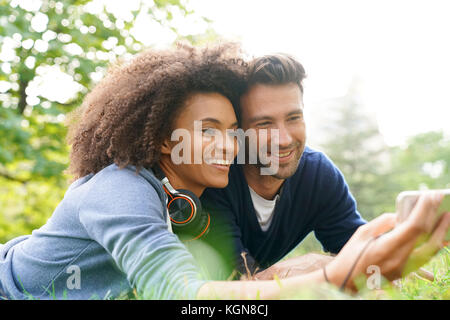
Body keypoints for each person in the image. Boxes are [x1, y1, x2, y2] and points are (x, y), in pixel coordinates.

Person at [0, 44, 448, 300]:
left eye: (233, 131)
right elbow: (183, 295)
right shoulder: (122, 188)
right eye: (207, 131)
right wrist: (332, 276)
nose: (229, 146)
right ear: (161, 138)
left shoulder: (185, 190)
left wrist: (392, 246)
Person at [200, 53, 450, 285]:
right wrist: (320, 266)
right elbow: (237, 287)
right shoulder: (216, 179)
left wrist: (389, 258)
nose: (284, 139)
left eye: (293, 118)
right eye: (264, 123)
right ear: (238, 130)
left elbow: (357, 250)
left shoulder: (317, 175)